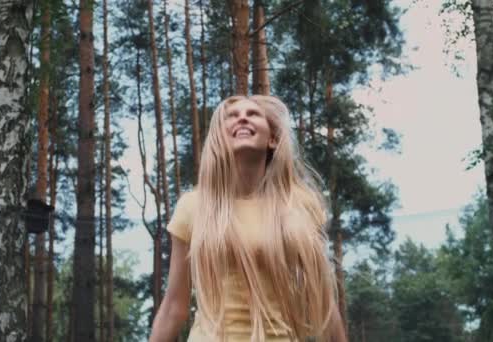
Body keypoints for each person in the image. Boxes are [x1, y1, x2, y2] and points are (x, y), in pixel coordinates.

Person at [149, 95, 347, 342]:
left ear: (272, 139)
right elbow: (173, 307)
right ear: (220, 139)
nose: (242, 117)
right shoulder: (193, 206)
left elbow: (323, 302)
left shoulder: (300, 203)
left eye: (253, 114)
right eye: (232, 116)